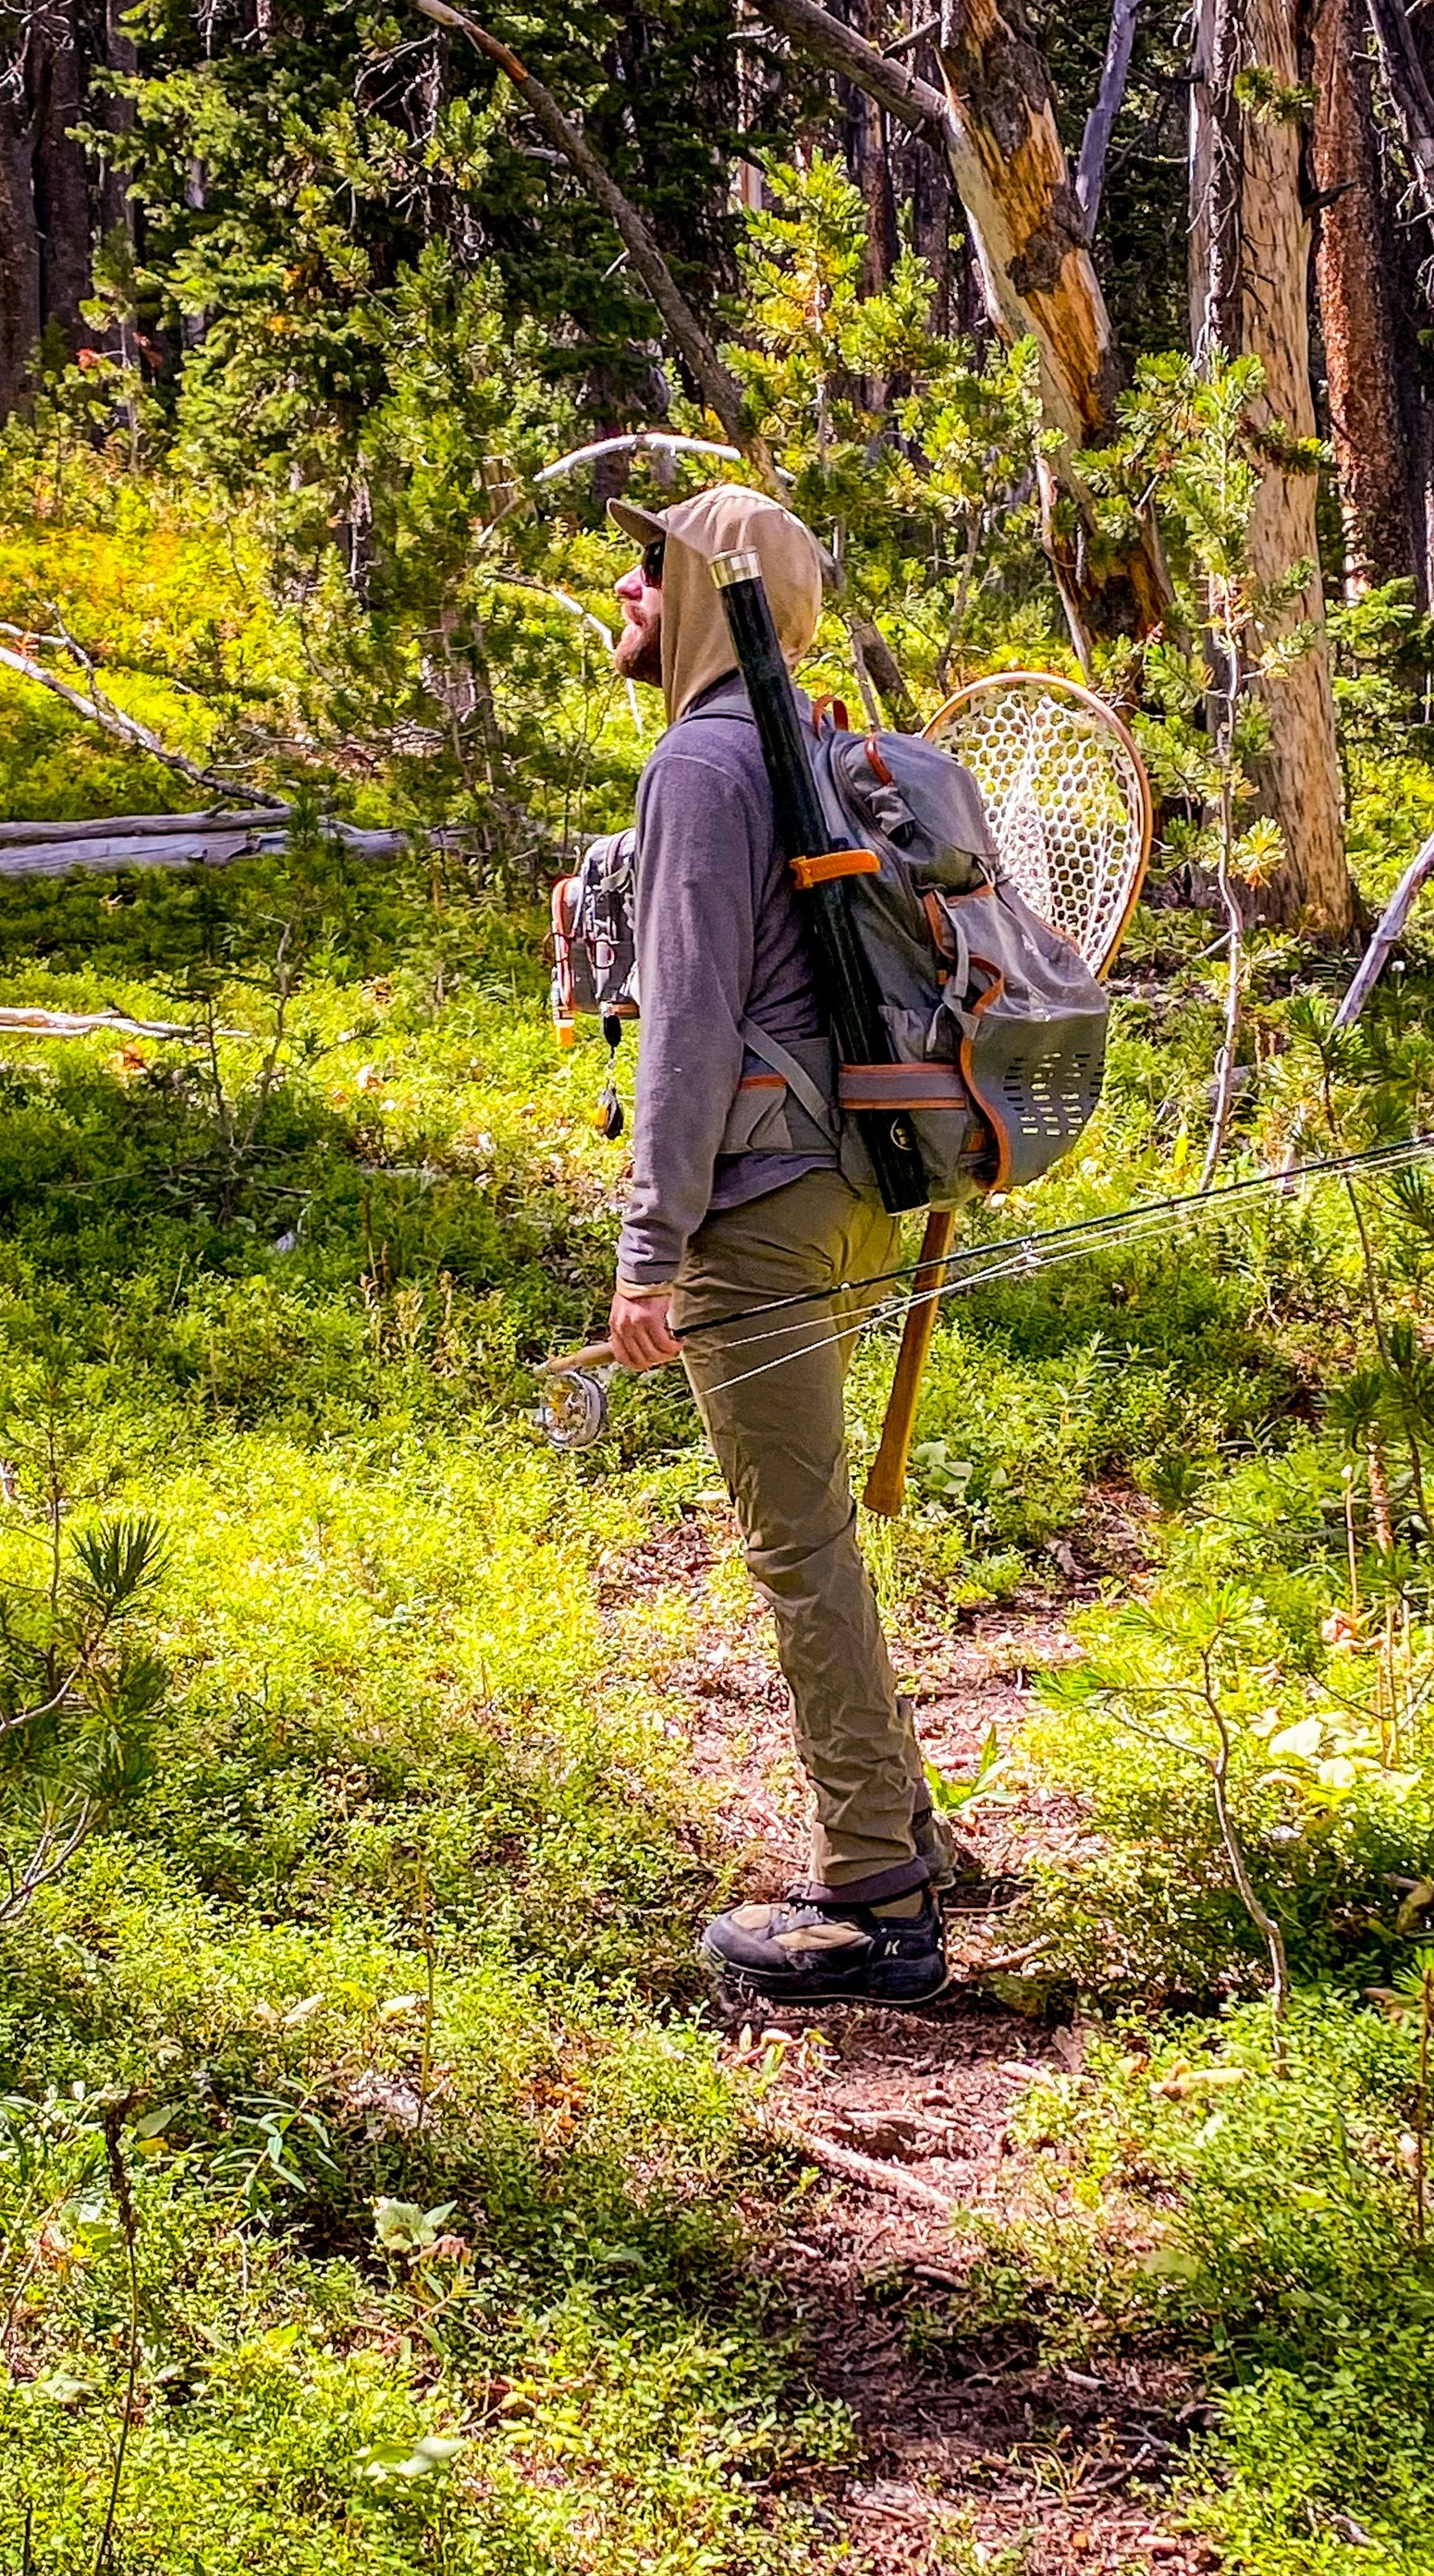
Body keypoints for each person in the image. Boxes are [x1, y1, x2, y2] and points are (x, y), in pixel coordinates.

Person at [602, 481, 954, 2007]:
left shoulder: (702, 761)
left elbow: (682, 1028)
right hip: (858, 1194)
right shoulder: (804, 739)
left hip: (757, 1211)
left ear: (704, 591)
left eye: (645, 572)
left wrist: (646, 1248)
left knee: (798, 1546)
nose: (624, 598)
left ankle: (879, 1898)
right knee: (818, 1533)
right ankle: (911, 1826)